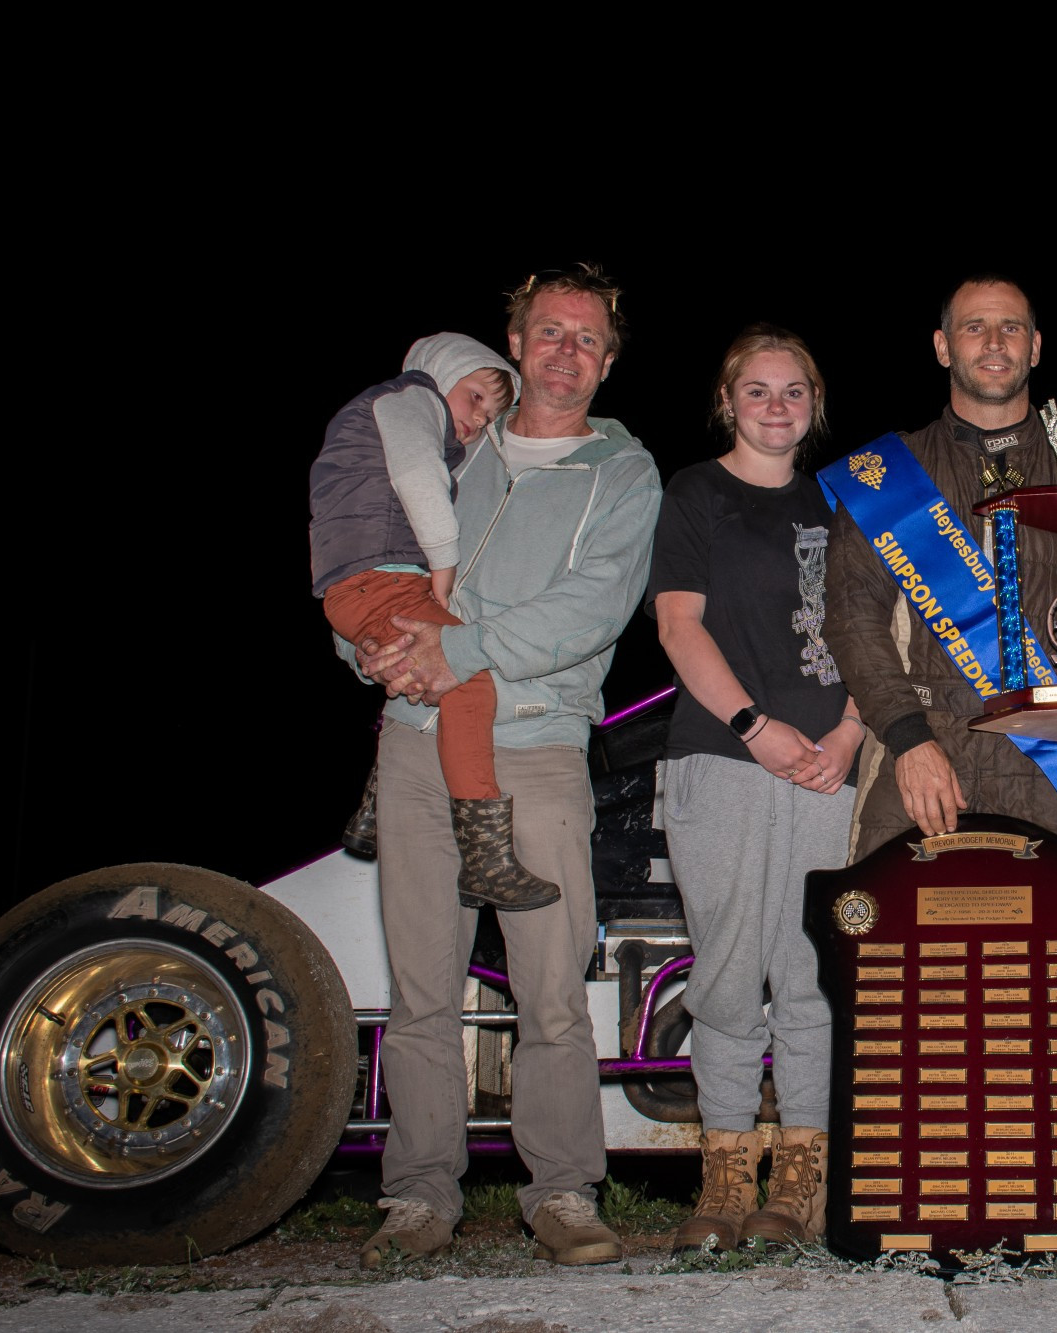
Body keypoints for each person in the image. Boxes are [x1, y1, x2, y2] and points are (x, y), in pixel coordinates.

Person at [350, 264, 662, 1268]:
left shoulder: (624, 473)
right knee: (423, 987)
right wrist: (367, 642)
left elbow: (593, 609)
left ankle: (563, 1190)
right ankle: (417, 1197)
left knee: (551, 989)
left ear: (607, 361)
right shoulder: (446, 443)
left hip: (537, 748)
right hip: (412, 743)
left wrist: (460, 647)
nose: (564, 351)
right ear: (515, 343)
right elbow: (368, 550)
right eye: (547, 332)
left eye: (586, 338)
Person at [823, 275, 1057, 860]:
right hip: (922, 754)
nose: (995, 342)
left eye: (1012, 328)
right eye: (974, 327)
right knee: (901, 948)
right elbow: (853, 619)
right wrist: (908, 740)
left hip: (1045, 754)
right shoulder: (886, 474)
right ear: (942, 346)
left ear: (1034, 346)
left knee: (1056, 950)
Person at [649, 326, 859, 1251]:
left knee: (814, 973)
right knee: (729, 974)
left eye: (795, 391)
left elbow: (879, 630)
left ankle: (801, 1179)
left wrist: (850, 731)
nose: (777, 406)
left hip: (825, 765)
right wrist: (753, 726)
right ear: (728, 402)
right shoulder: (695, 493)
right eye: (758, 391)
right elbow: (677, 625)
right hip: (722, 759)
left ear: (815, 403)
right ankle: (728, 1175)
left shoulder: (843, 500)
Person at [310, 334, 559, 911]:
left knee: (419, 672)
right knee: (467, 681)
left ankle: (372, 814)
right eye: (474, 398)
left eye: (490, 415)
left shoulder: (401, 413)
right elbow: (419, 480)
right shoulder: (407, 401)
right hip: (379, 577)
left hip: (361, 580)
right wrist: (443, 568)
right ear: (441, 372)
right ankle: (485, 861)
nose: (477, 420)